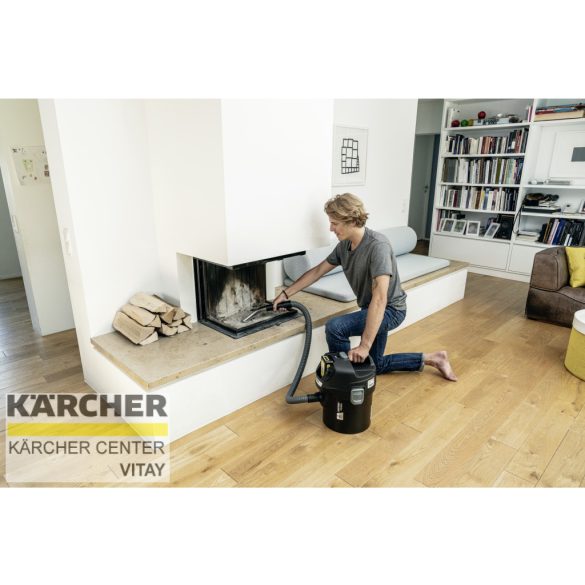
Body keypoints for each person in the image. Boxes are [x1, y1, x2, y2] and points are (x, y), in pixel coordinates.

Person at [273, 193, 457, 381]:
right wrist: (286, 294)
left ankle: (345, 379)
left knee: (335, 327)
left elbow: (380, 298)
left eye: (335, 223)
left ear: (351, 221)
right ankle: (434, 358)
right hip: (370, 308)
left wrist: (364, 346)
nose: (331, 228)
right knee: (376, 365)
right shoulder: (344, 246)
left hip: (390, 310)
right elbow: (318, 271)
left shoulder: (378, 246)